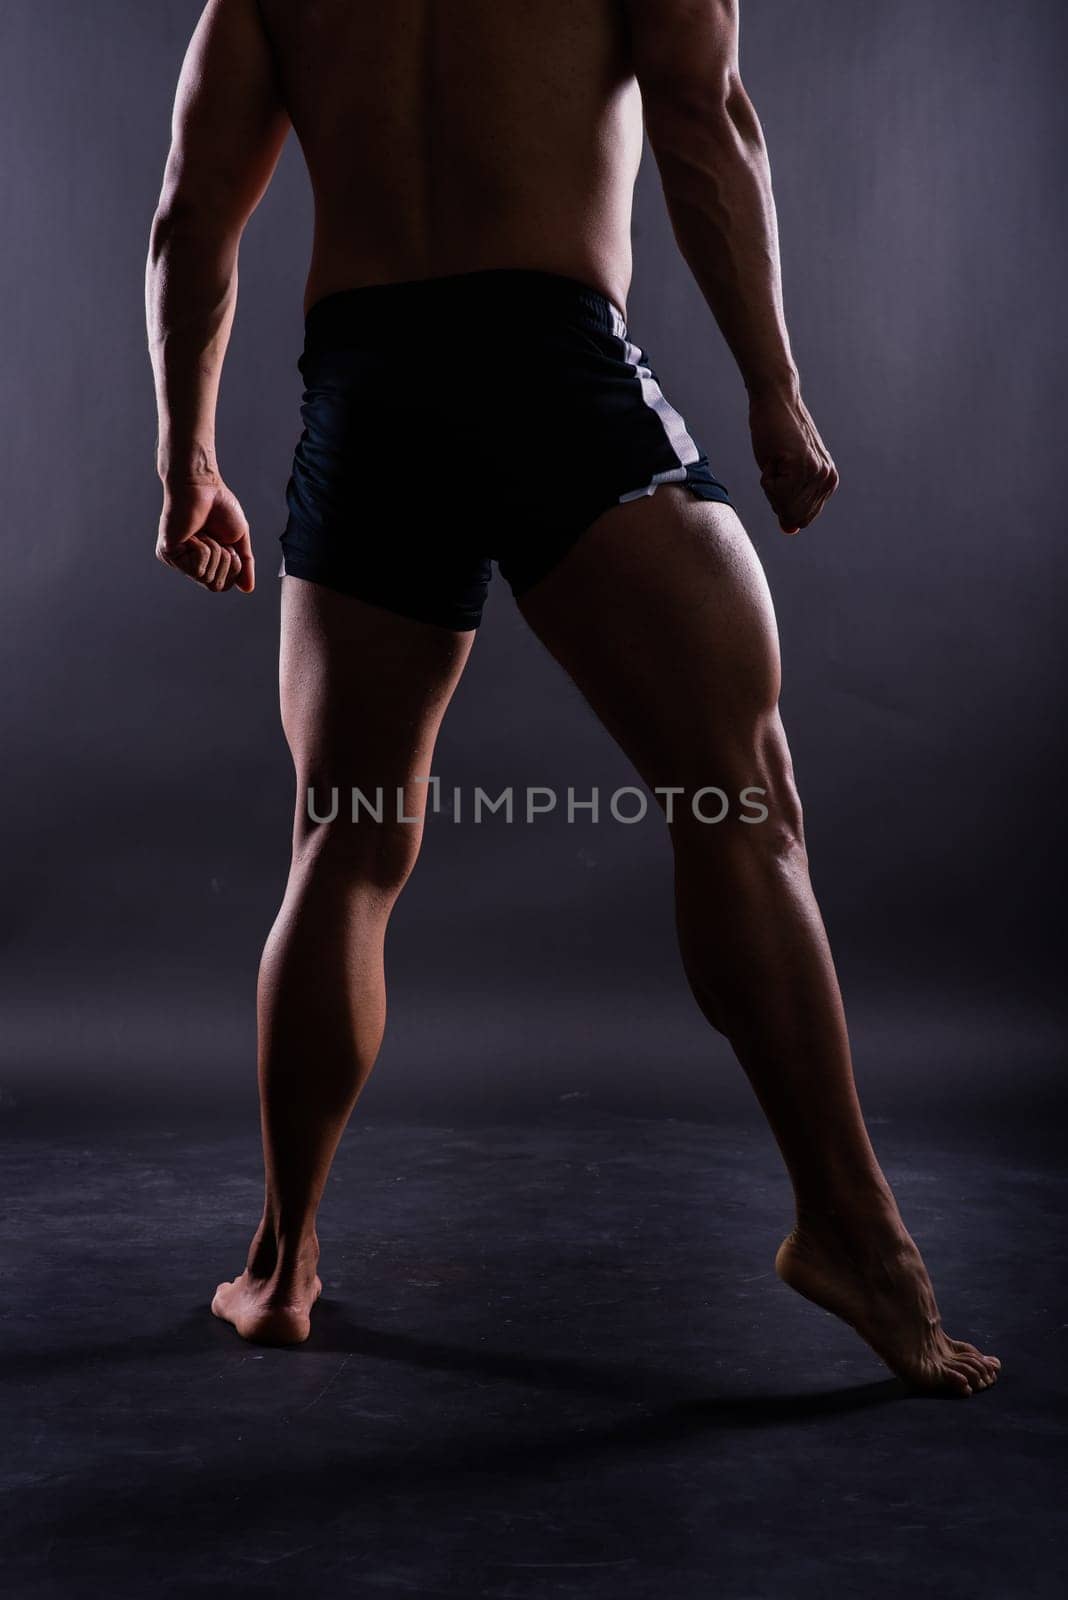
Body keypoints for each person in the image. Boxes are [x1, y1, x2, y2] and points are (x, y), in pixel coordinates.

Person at [145, 0, 999, 1395]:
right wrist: (775, 392)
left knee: (343, 843)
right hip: (544, 361)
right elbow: (704, 123)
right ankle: (855, 1233)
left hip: (369, 394)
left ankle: (284, 1263)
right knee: (739, 799)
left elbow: (191, 217)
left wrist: (185, 458)